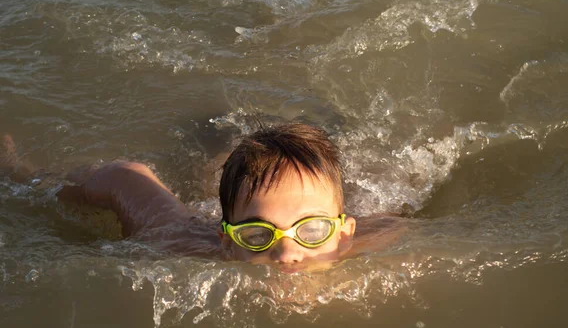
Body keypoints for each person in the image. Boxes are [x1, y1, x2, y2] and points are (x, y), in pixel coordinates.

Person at [2, 124, 400, 271]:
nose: (288, 254)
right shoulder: (176, 248)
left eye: (312, 230)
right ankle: (19, 168)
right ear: (227, 243)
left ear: (343, 235)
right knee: (128, 176)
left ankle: (216, 150)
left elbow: (405, 223)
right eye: (258, 235)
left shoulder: (366, 246)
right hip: (169, 216)